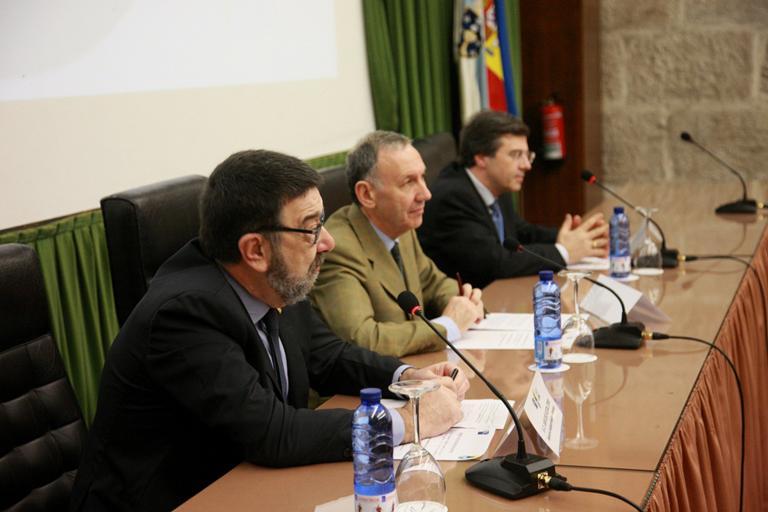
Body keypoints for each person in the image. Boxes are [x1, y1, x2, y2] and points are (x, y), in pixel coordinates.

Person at [70, 150, 468, 512]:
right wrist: (410, 423)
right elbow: (270, 431)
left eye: (322, 223)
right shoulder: (185, 314)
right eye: (311, 229)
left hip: (246, 487)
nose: (327, 242)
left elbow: (326, 355)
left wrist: (406, 379)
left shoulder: (274, 282)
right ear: (255, 250)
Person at [310, 131, 484, 358]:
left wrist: (464, 303)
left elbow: (433, 283)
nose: (426, 194)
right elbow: (361, 339)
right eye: (409, 182)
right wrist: (446, 327)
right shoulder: (338, 248)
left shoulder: (401, 227)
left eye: (423, 177)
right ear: (366, 194)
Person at [417, 110, 609, 289]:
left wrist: (575, 237)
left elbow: (521, 233)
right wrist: (563, 251)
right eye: (516, 155)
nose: (526, 165)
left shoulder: (496, 185)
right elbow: (495, 264)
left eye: (527, 156)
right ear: (482, 157)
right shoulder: (453, 197)